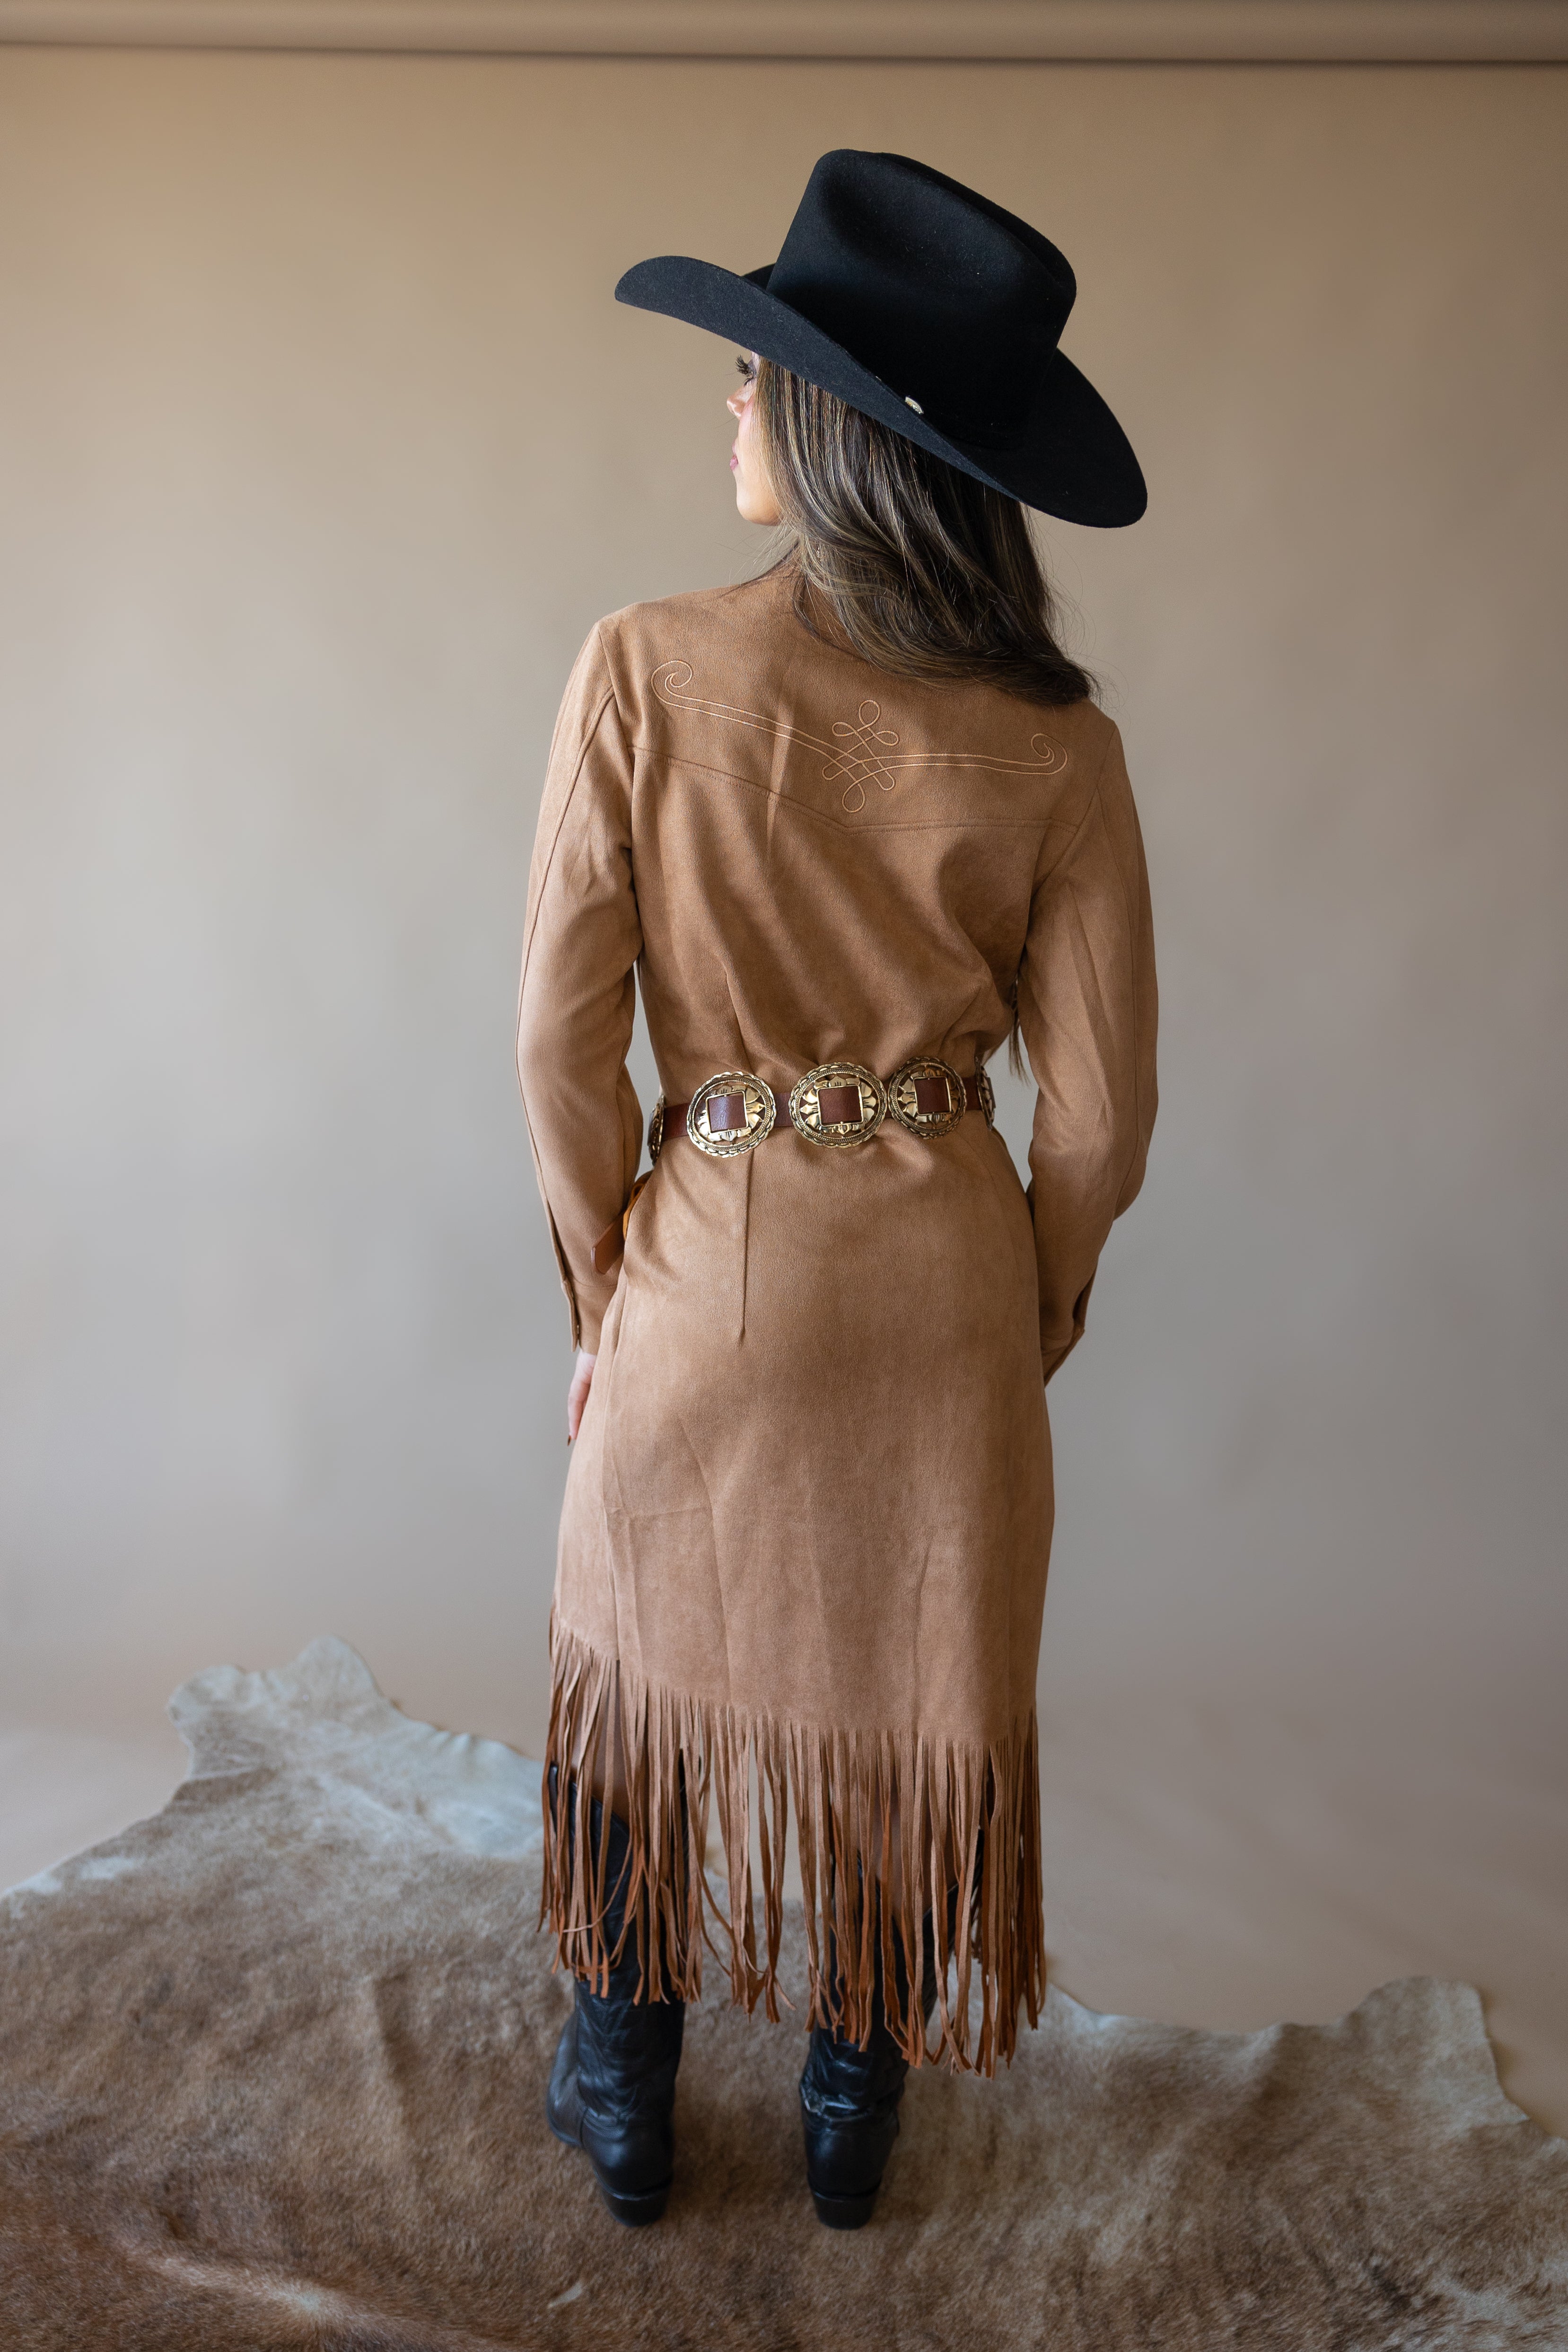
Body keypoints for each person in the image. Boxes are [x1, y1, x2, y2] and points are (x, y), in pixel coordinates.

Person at [516, 149, 1156, 2230]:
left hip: (707, 1269)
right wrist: (1028, 1309)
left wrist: (607, 1280)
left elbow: (556, 1040)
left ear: (835, 427)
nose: (726, 398)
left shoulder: (640, 665)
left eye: (752, 372)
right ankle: (844, 2113)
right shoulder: (1061, 747)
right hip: (946, 1287)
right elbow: (1105, 1111)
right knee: (900, 1697)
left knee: (638, 1677)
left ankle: (620, 2088)